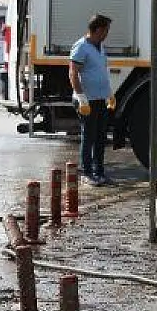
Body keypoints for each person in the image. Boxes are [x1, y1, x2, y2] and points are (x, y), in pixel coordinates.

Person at [69, 14, 115, 186]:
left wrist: (109, 93)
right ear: (98, 30)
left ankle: (100, 173)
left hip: (100, 99)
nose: (107, 34)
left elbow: (102, 72)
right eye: (106, 30)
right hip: (86, 100)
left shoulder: (100, 47)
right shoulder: (81, 47)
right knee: (88, 137)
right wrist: (81, 98)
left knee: (101, 137)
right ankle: (87, 173)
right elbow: (73, 73)